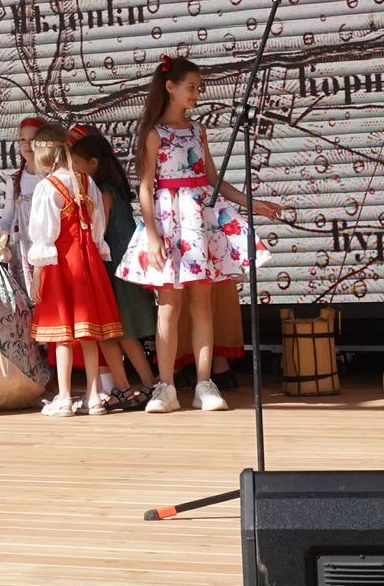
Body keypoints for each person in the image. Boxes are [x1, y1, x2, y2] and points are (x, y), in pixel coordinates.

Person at [117, 56, 282, 414]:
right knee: (168, 305)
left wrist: (252, 203)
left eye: (198, 87)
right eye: (191, 87)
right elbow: (145, 186)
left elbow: (211, 178)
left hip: (198, 220)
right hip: (168, 220)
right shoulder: (154, 134)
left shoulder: (196, 130)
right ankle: (165, 386)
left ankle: (205, 383)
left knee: (202, 304)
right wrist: (152, 234)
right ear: (170, 87)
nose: (197, 93)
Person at [26, 122, 141, 416]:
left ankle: (64, 397)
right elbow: (97, 228)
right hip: (88, 262)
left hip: (61, 263)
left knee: (63, 334)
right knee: (89, 332)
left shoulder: (47, 187)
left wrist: (38, 272)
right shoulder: (87, 182)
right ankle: (93, 396)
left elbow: (43, 234)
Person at [69, 125, 156, 391]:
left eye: (76, 164)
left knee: (117, 332)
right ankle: (139, 386)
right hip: (119, 268)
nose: (73, 170)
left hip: (114, 269)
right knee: (120, 333)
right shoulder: (111, 189)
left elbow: (99, 230)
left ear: (93, 163)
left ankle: (136, 386)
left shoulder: (104, 192)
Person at [0, 116, 48, 285]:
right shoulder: (14, 180)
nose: (27, 144)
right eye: (23, 139)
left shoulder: (51, 177)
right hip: (21, 249)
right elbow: (8, 217)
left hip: (46, 250)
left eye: (33, 139)